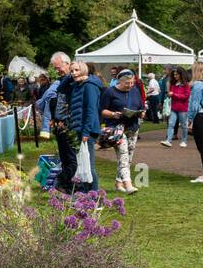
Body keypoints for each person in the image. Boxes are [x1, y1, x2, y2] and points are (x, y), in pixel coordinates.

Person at [101, 67, 144, 194]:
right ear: (119, 81)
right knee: (123, 156)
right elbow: (102, 110)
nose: (130, 85)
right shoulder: (110, 92)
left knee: (128, 157)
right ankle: (128, 185)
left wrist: (141, 113)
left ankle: (118, 183)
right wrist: (114, 114)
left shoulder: (135, 90)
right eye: (127, 83)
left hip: (132, 127)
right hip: (117, 129)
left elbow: (141, 106)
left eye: (132, 83)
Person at [67, 61, 105, 193]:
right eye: (71, 71)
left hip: (86, 130)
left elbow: (91, 110)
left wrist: (86, 132)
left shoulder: (90, 86)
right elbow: (61, 88)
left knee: (89, 165)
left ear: (84, 70)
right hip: (77, 128)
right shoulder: (77, 85)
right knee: (81, 163)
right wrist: (70, 77)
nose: (73, 74)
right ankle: (83, 194)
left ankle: (94, 196)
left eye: (77, 70)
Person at [42, 53, 78, 191]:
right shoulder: (62, 80)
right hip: (59, 124)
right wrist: (53, 118)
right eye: (55, 68)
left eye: (58, 68)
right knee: (65, 158)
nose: (57, 71)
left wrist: (64, 120)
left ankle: (62, 183)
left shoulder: (72, 81)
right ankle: (66, 186)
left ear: (67, 63)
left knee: (71, 158)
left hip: (69, 125)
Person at [161, 68, 190, 147]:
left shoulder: (186, 85)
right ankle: (168, 140)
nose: (175, 76)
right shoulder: (173, 84)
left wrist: (173, 94)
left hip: (183, 108)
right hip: (174, 108)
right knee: (170, 124)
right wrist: (170, 94)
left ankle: (184, 141)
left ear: (181, 75)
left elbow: (186, 96)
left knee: (184, 125)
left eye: (177, 74)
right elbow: (172, 94)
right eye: (174, 74)